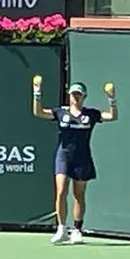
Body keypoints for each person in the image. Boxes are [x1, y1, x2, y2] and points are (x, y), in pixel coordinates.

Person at [32, 77, 118, 245]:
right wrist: (37, 93)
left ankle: (77, 230)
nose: (75, 97)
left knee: (78, 195)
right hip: (63, 156)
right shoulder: (61, 112)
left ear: (84, 96)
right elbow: (38, 112)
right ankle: (61, 229)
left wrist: (112, 99)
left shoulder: (91, 114)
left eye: (79, 94)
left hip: (82, 158)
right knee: (60, 191)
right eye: (73, 94)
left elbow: (112, 116)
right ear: (69, 96)